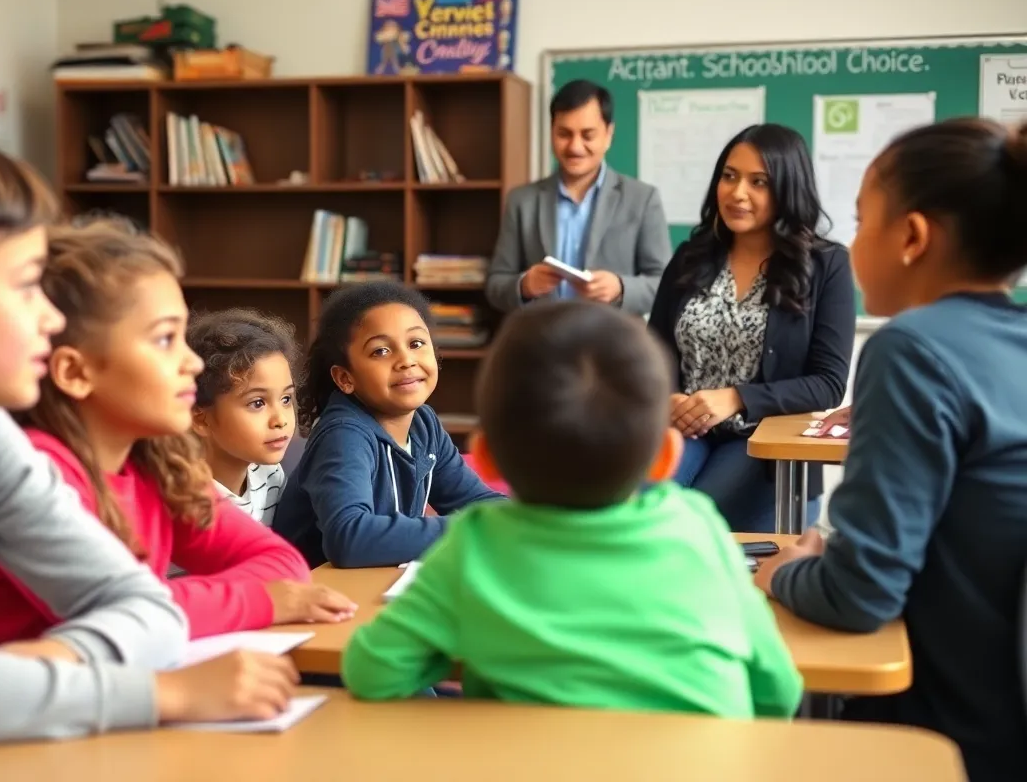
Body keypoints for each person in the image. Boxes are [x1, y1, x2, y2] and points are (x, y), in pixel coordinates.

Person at [0, 116, 298, 748]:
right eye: (24, 288)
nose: (49, 318)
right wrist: (163, 693)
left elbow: (149, 611)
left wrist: (17, 672)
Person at [340, 300, 802, 718]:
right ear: (666, 456)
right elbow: (778, 692)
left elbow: (371, 672)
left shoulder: (476, 545)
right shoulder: (699, 528)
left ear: (485, 458)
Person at [755, 118, 1027, 782]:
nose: (851, 241)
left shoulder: (912, 350)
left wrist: (781, 573)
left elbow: (859, 595)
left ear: (912, 238)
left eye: (861, 220)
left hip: (948, 736)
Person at [0, 221, 355, 644]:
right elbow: (124, 616)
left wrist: (174, 603)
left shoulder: (159, 464)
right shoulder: (36, 473)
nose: (193, 365)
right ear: (75, 371)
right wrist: (266, 601)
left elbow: (281, 563)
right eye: (164, 340)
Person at [647, 124, 855, 532]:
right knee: (641, 500)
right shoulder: (692, 255)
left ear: (787, 190)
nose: (737, 192)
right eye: (729, 176)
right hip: (686, 428)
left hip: (762, 438)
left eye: (758, 182)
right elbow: (653, 348)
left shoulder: (826, 265)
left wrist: (736, 398)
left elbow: (828, 382)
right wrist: (668, 397)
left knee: (686, 517)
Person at [272, 282, 502, 568]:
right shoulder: (343, 435)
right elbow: (349, 538)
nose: (406, 360)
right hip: (314, 591)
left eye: (416, 344)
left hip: (368, 585)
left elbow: (473, 500)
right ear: (345, 378)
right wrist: (476, 529)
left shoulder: (424, 423)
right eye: (381, 351)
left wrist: (531, 518)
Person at [485, 79, 671, 316]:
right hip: (541, 344)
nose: (575, 146)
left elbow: (666, 285)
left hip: (614, 346)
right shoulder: (522, 201)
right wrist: (524, 285)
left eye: (587, 135)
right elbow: (495, 285)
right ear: (551, 131)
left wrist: (621, 287)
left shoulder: (643, 199)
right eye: (564, 134)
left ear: (608, 134)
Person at [188, 308, 300, 528]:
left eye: (286, 399)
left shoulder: (269, 476)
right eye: (257, 403)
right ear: (201, 419)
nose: (280, 420)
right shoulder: (186, 497)